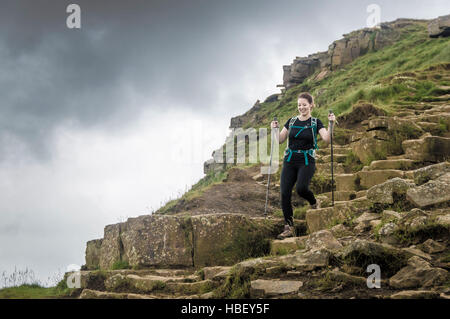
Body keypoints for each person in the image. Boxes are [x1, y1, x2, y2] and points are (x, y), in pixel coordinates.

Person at [271, 92, 335, 239]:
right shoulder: (291, 121)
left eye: (304, 105)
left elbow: (327, 139)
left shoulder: (316, 122)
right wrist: (274, 129)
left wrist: (331, 124)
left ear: (311, 105)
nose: (301, 108)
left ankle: (314, 202)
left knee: (301, 189)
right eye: (299, 105)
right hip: (290, 160)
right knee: (285, 192)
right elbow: (279, 140)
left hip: (306, 160)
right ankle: (289, 227)